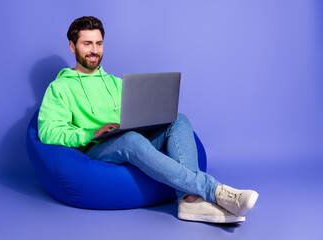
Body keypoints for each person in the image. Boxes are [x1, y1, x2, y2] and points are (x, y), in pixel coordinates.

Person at [38, 16, 259, 223]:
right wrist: (91, 133)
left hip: (130, 138)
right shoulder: (60, 88)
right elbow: (48, 131)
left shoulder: (116, 83)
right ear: (72, 46)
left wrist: (150, 120)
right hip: (98, 147)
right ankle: (215, 190)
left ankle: (189, 201)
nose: (94, 51)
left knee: (178, 120)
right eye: (87, 44)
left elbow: (136, 115)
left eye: (99, 43)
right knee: (132, 139)